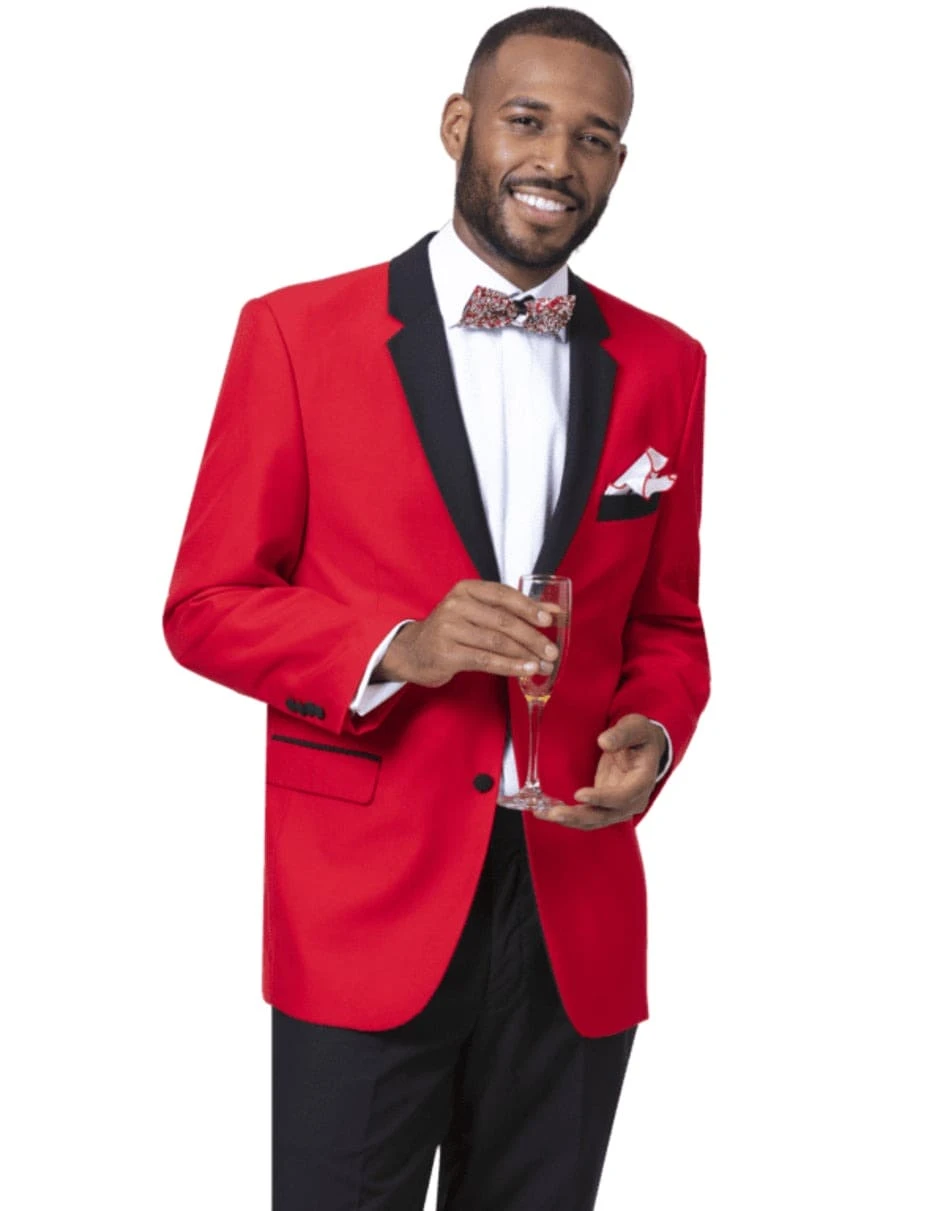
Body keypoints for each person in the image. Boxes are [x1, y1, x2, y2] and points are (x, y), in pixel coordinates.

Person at [163, 7, 710, 1209]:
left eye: (594, 137)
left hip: (573, 901)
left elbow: (669, 622)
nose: (557, 160)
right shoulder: (295, 333)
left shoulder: (669, 363)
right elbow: (205, 603)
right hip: (364, 900)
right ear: (459, 125)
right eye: (527, 120)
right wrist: (398, 647)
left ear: (620, 161)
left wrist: (655, 731)